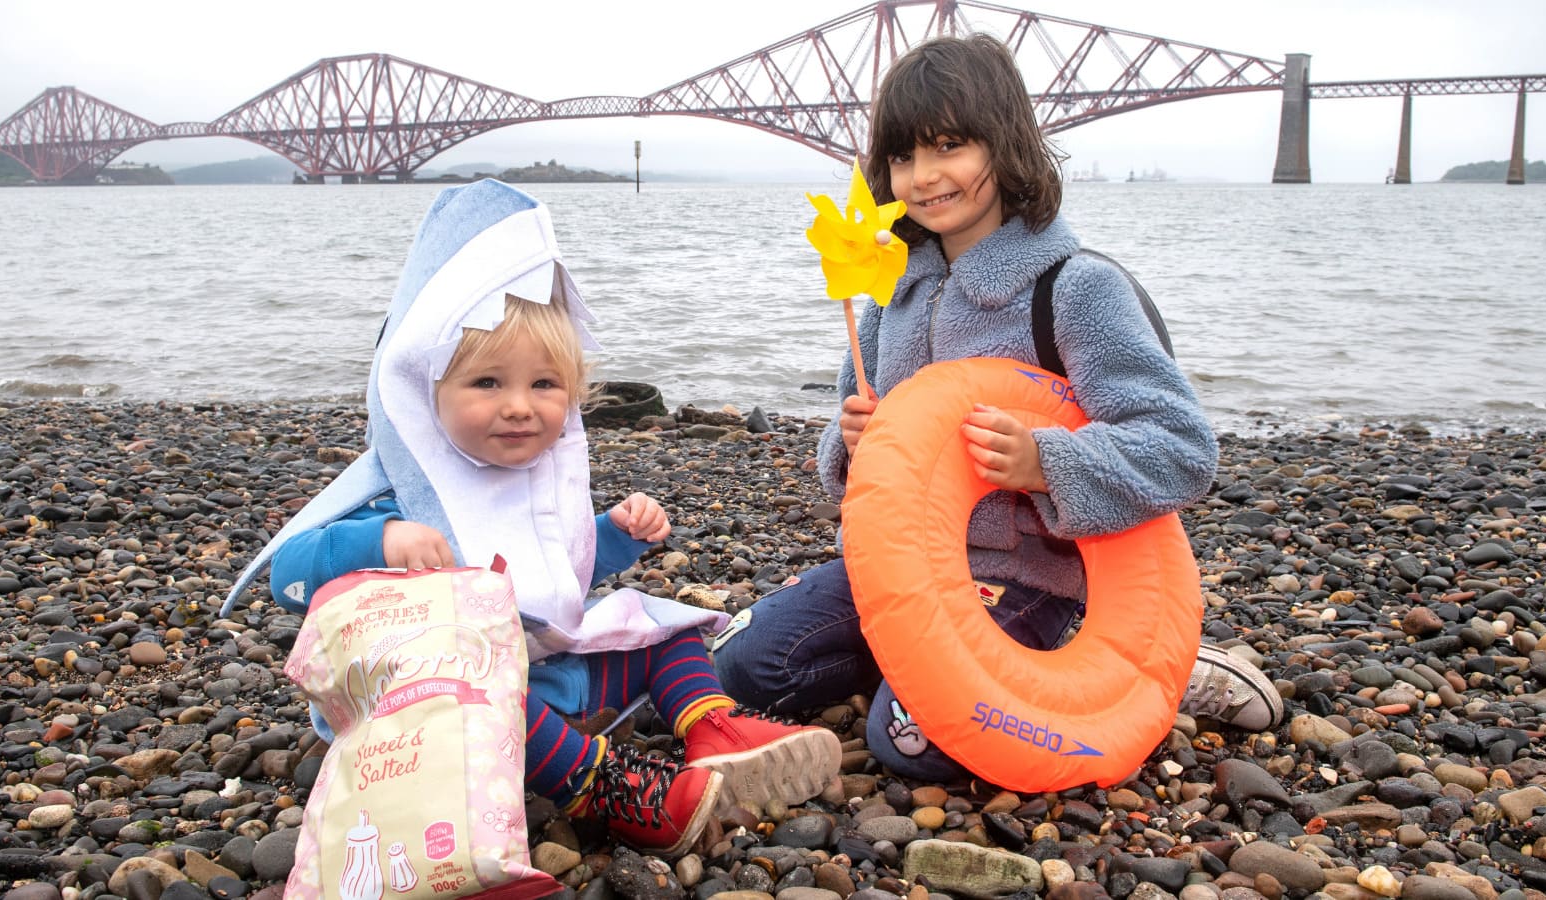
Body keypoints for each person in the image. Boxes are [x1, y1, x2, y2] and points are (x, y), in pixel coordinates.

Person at [713, 33, 1282, 783]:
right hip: (897, 571)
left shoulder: (1074, 290)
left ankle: (1149, 664)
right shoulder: (886, 294)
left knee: (911, 743)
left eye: (950, 145)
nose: (924, 176)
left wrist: (1045, 462)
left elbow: (1182, 448)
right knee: (741, 668)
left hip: (1023, 575)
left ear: (1005, 142)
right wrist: (850, 441)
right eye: (904, 156)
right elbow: (857, 469)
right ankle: (908, 669)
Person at [221, 179, 840, 858]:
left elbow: (560, 576)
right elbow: (289, 576)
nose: (519, 406)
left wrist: (615, 536)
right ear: (427, 393)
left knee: (662, 627)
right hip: (440, 711)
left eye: (544, 384)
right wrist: (383, 539)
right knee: (485, 691)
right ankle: (603, 787)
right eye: (487, 383)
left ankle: (715, 727)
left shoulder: (536, 477)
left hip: (549, 676)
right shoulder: (408, 489)